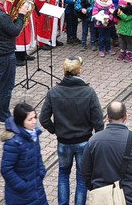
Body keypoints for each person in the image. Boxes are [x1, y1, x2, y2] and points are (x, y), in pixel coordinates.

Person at [38, 55, 104, 205]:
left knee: (63, 174)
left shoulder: (54, 92)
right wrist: (97, 139)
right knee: (82, 177)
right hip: (84, 141)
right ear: (79, 70)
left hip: (63, 142)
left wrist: (55, 130)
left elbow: (43, 118)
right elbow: (98, 121)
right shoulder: (89, 92)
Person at [83, 101, 132, 204]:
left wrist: (93, 187)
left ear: (107, 117)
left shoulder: (94, 140)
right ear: (126, 117)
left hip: (103, 198)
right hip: (131, 197)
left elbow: (85, 170)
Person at [0, 102, 49, 205]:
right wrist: (22, 186)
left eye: (35, 117)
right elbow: (6, 169)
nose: (34, 121)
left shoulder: (34, 135)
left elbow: (38, 156)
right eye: (30, 119)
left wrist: (41, 172)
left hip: (36, 188)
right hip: (21, 195)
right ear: (21, 121)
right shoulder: (13, 142)